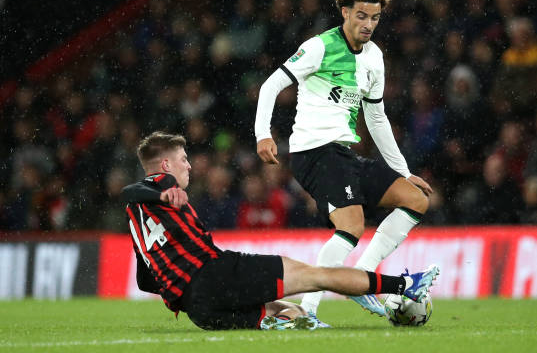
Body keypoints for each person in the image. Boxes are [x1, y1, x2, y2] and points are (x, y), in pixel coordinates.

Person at [254, 0, 437, 321]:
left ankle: (363, 280)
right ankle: (307, 311)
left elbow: (377, 118)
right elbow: (271, 84)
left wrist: (403, 171)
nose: (369, 24)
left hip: (344, 153)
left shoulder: (374, 58)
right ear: (345, 12)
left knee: (415, 199)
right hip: (314, 152)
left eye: (375, 18)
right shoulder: (320, 47)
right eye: (362, 16)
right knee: (351, 227)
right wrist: (263, 134)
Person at [121, 131, 439, 331]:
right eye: (183, 160)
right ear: (164, 166)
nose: (188, 166)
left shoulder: (135, 216)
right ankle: (406, 285)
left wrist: (182, 289)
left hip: (199, 310)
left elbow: (145, 279)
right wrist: (161, 192)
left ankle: (304, 322)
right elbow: (133, 189)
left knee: (288, 312)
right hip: (218, 274)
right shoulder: (160, 186)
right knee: (318, 276)